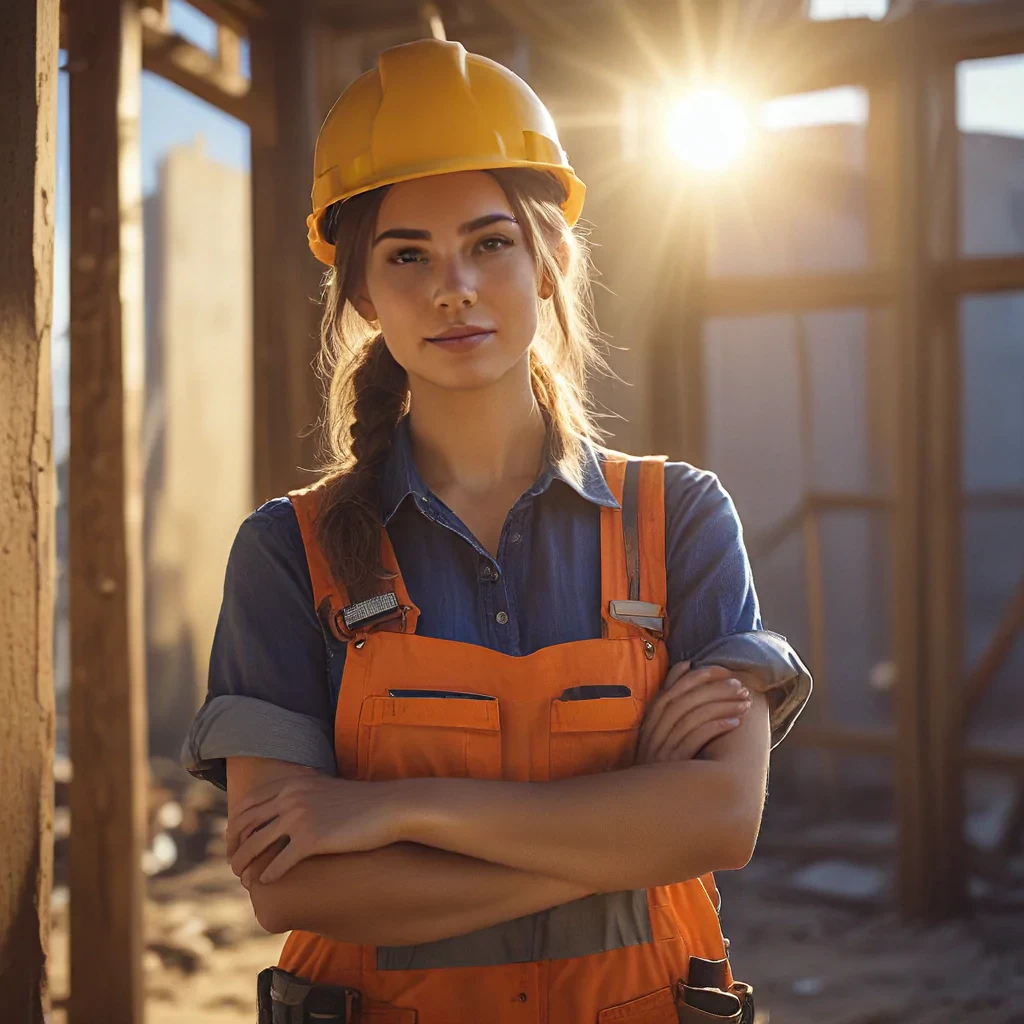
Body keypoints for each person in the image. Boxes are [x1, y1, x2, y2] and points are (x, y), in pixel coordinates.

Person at [181, 37, 811, 1024]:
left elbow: (721, 822)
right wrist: (621, 837)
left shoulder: (680, 519)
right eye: (407, 256)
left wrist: (392, 809)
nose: (454, 288)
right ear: (358, 291)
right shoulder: (285, 552)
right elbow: (293, 887)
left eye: (489, 243)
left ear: (552, 260)